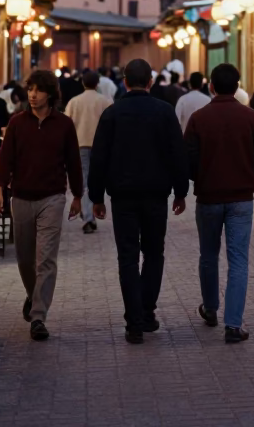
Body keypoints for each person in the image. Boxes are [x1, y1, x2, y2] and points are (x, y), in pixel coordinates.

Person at [88, 58, 189, 344]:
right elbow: (177, 154)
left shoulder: (113, 113)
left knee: (128, 257)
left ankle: (134, 322)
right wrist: (181, 191)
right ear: (150, 82)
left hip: (122, 196)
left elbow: (99, 157)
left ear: (124, 80)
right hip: (157, 194)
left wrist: (96, 196)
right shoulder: (164, 112)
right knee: (154, 253)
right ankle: (147, 311)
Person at [0, 71, 83, 341]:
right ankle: (33, 296)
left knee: (46, 259)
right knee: (25, 259)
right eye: (30, 89)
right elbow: (5, 158)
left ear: (50, 94)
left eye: (38, 90)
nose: (32, 95)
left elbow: (74, 162)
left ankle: (39, 316)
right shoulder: (17, 123)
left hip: (52, 197)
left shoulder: (64, 124)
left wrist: (78, 195)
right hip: (20, 196)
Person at [185, 63, 254, 343]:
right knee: (238, 261)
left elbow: (188, 158)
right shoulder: (251, 117)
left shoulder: (199, 118)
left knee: (208, 256)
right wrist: (249, 177)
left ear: (211, 86)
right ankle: (233, 324)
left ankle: (210, 308)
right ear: (238, 86)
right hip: (241, 199)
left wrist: (200, 178)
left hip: (208, 198)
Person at [64, 70, 113, 235]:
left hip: (80, 145)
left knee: (84, 180)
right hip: (101, 146)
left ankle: (88, 217)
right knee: (98, 180)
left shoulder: (74, 102)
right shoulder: (105, 101)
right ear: (97, 83)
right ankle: (93, 211)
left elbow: (67, 125)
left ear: (82, 83)